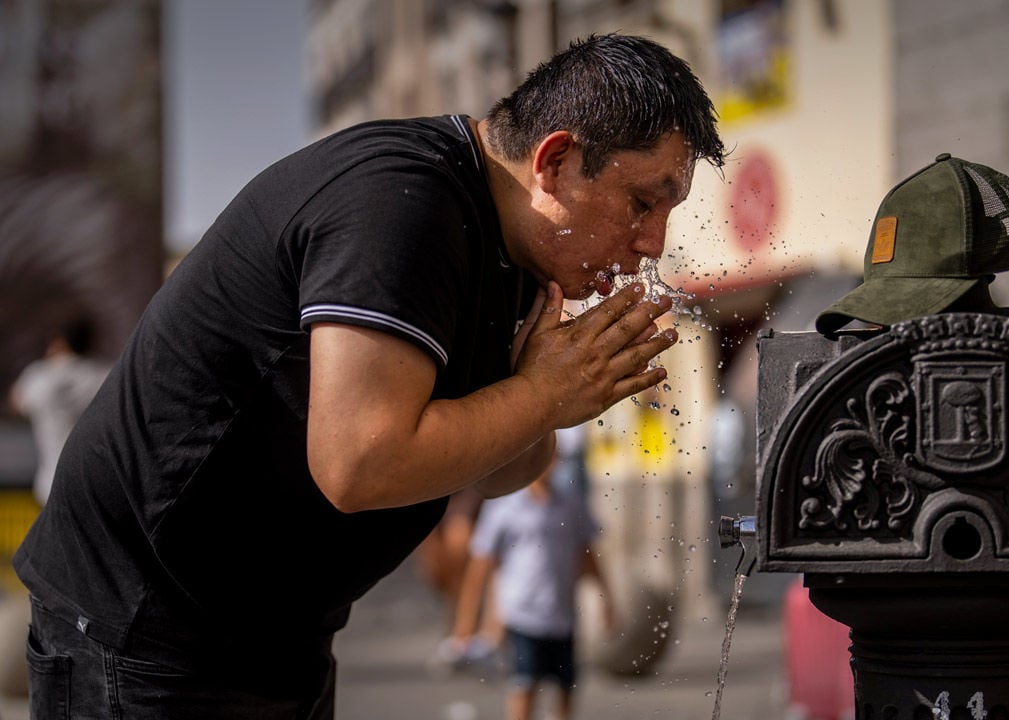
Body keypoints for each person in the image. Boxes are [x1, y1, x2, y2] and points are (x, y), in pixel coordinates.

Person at [12, 33, 725, 719]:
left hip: (271, 635)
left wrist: (545, 401)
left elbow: (500, 471)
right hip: (145, 624)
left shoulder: (522, 257)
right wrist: (540, 394)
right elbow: (360, 461)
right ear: (557, 161)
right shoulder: (401, 204)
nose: (653, 243)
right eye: (642, 203)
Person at [449, 459, 613, 720]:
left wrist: (607, 600)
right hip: (521, 612)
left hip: (561, 613)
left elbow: (588, 555)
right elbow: (480, 568)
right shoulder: (504, 507)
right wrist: (465, 624)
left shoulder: (571, 504)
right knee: (525, 683)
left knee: (566, 685)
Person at [9, 317, 111, 507]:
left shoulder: (40, 376)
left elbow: (16, 401)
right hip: (99, 485)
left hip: (51, 485)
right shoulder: (106, 375)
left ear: (59, 341)